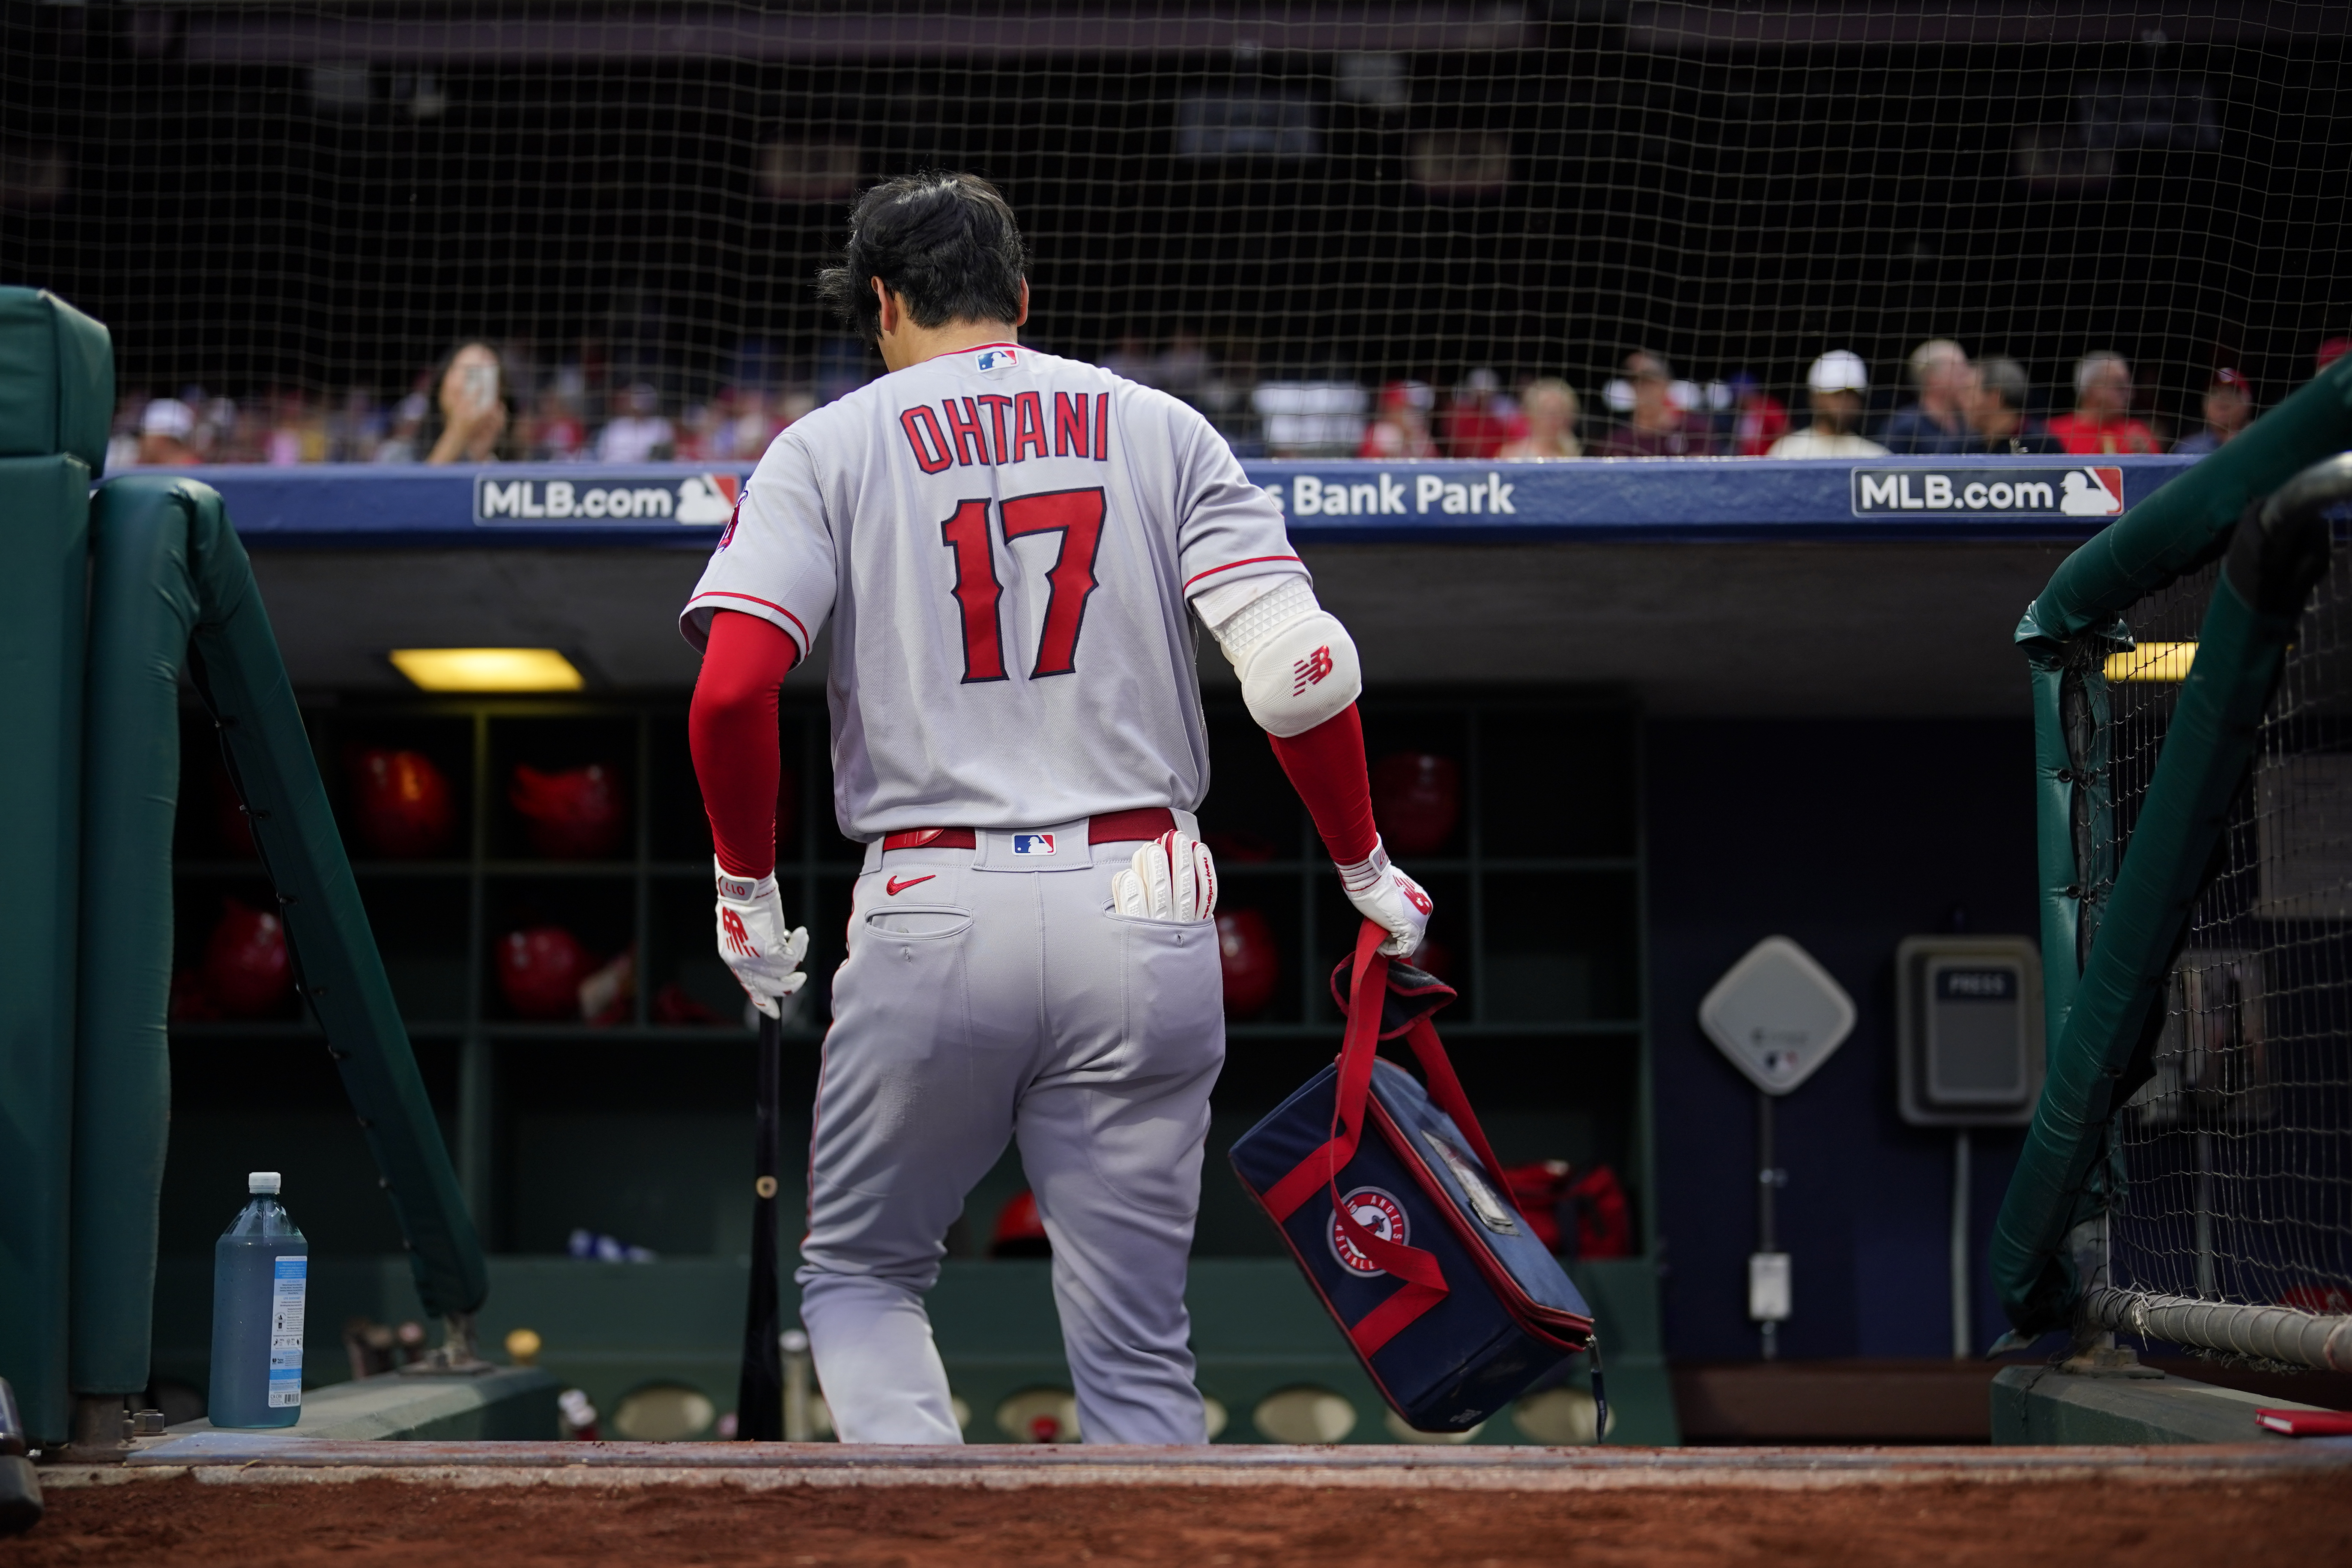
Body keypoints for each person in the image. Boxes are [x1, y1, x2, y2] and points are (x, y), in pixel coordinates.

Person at [681, 173, 1432, 1447]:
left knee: (863, 1275)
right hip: (1142, 898)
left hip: (932, 902)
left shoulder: (826, 445)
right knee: (1139, 1350)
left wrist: (746, 888)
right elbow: (1304, 668)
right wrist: (1363, 861)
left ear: (882, 305)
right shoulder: (1161, 425)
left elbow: (731, 691)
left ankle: (926, 1541)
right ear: (1022, 300)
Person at [1765, 352, 1888, 457]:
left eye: (1851, 395)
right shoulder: (1787, 452)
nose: (1845, 403)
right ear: (1815, 398)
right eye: (1837, 394)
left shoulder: (1875, 456)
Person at [1596, 351, 1709, 456]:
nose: (1643, 389)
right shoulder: (1616, 442)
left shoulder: (1696, 431)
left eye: (1649, 382)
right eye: (1635, 382)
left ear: (1665, 383)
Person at [2047, 351, 2160, 454]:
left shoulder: (2138, 434)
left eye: (2129, 386)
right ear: (2091, 388)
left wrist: (2146, 457)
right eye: (2119, 385)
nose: (2130, 394)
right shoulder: (2053, 432)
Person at [1876, 339, 1972, 454]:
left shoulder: (1972, 423)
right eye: (1959, 371)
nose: (1968, 378)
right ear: (1932, 377)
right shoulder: (1904, 427)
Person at [423, 341, 512, 464]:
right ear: (443, 382)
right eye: (471, 375)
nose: (477, 389)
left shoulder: (516, 461)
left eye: (487, 378)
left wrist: (479, 456)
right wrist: (456, 436)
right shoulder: (404, 449)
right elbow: (420, 483)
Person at [1964, 358, 2060, 454]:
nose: (1964, 404)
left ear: (1995, 398)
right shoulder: (1967, 447)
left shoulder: (2041, 444)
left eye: (1969, 394)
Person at [1439, 368, 1520, 459]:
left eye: (1487, 393)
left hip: (1496, 461)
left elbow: (1518, 439)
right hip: (1465, 461)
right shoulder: (1460, 415)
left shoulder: (1504, 412)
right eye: (1479, 393)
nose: (1483, 397)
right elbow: (1456, 444)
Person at [2173, 369, 2253, 457]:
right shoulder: (2189, 449)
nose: (2222, 401)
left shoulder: (2260, 441)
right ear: (2204, 405)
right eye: (2214, 393)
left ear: (2247, 402)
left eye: (2232, 393)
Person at [1496, 377, 1581, 459]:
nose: (1557, 420)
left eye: (1562, 413)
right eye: (1550, 413)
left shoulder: (1573, 455)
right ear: (1530, 414)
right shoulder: (1512, 456)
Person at [1358, 379, 1438, 458]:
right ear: (1391, 409)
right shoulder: (1378, 434)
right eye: (1408, 409)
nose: (1416, 415)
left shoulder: (1422, 438)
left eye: (1419, 410)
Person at [597, 382, 675, 462]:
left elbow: (664, 456)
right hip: (616, 470)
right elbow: (602, 455)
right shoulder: (615, 425)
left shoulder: (661, 425)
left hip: (649, 472)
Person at [134, 397, 202, 465]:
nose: (141, 441)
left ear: (163, 438)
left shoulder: (197, 471)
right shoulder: (145, 467)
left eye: (145, 435)